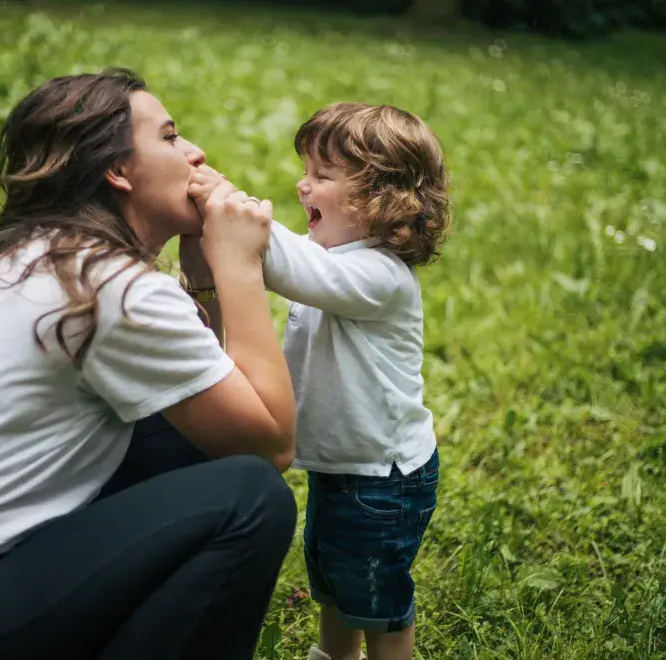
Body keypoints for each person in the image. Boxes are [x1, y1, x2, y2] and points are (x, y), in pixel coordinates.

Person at [0, 68, 298, 660]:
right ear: (118, 171)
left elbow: (216, 410)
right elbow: (271, 444)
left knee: (187, 436)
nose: (196, 152)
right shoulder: (113, 287)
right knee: (251, 497)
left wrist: (202, 276)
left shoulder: (42, 258)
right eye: (171, 137)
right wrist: (240, 269)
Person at [190, 102, 451, 660]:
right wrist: (225, 196)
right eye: (306, 171)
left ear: (381, 199)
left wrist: (226, 205)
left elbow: (284, 262)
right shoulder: (332, 256)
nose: (301, 185)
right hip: (344, 467)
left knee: (378, 602)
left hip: (384, 477)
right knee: (334, 581)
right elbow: (291, 255)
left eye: (322, 176)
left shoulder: (380, 276)